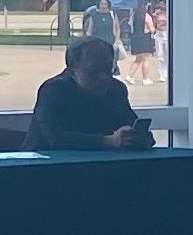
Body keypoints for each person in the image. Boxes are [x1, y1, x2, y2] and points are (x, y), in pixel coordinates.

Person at [24, 37, 155, 152]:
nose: (103, 77)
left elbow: (130, 123)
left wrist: (139, 137)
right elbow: (55, 138)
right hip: (43, 165)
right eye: (94, 71)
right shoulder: (53, 90)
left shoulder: (116, 90)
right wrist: (109, 141)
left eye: (108, 69)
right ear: (72, 71)